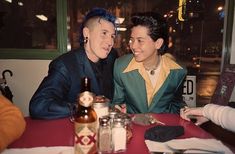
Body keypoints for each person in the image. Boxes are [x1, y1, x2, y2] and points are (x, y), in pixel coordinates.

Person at [29, 8, 117, 119]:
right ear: (86, 33)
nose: (110, 42)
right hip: (74, 129)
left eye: (112, 36)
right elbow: (38, 105)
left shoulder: (112, 59)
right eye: (104, 33)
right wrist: (82, 108)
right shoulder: (65, 65)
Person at [111, 12, 187, 114]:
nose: (133, 46)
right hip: (133, 127)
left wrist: (184, 111)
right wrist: (119, 110)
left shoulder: (178, 72)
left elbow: (177, 104)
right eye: (131, 40)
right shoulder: (120, 66)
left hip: (163, 128)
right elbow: (117, 102)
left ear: (158, 43)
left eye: (140, 40)